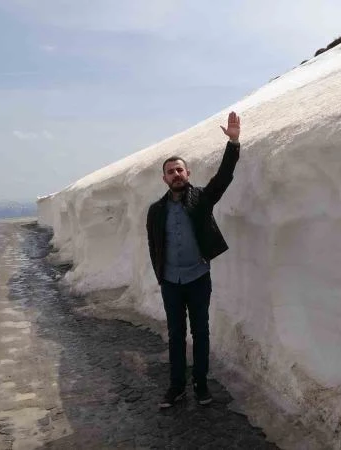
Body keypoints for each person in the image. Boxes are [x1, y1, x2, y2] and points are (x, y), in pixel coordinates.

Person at [146, 111, 242, 408]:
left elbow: (223, 178)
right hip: (171, 282)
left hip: (198, 277)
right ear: (164, 178)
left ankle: (200, 384)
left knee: (201, 332)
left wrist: (234, 143)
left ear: (188, 174)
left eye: (180, 170)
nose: (176, 174)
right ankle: (177, 387)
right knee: (176, 335)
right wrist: (161, 276)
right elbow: (154, 244)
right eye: (171, 171)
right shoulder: (156, 210)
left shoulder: (200, 198)